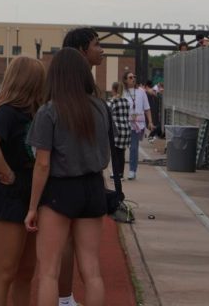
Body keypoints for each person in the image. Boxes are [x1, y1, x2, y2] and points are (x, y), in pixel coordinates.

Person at [25, 48, 111, 306]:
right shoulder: (100, 107)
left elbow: (42, 164)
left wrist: (32, 207)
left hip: (60, 190)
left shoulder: (49, 111)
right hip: (94, 188)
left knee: (49, 272)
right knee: (92, 270)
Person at [0, 57, 45, 306]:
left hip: (34, 192)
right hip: (10, 193)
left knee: (26, 272)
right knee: (6, 271)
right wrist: (7, 172)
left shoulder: (38, 111)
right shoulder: (8, 111)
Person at [56, 26, 106, 306]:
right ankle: (64, 299)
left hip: (77, 178)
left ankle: (65, 299)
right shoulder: (61, 90)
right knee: (70, 249)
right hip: (70, 177)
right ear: (80, 51)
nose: (101, 50)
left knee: (75, 250)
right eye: (97, 45)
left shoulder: (89, 89)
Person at [122, 72, 151, 180]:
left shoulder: (141, 92)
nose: (133, 78)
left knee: (134, 148)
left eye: (134, 77)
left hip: (137, 125)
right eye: (130, 77)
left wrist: (150, 122)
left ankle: (132, 170)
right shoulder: (123, 92)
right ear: (125, 80)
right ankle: (119, 171)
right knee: (121, 149)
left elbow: (147, 108)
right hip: (124, 123)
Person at [105, 82, 130, 201]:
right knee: (122, 152)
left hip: (117, 130)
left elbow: (106, 109)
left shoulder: (112, 101)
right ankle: (121, 173)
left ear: (114, 89)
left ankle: (116, 174)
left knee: (114, 153)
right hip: (126, 129)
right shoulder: (125, 101)